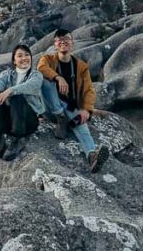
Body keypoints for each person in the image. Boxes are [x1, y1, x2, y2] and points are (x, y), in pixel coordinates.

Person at [37, 28, 110, 172]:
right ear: (55, 44)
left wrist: (87, 110)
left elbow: (89, 90)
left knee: (81, 124)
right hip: (49, 109)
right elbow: (41, 69)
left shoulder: (81, 67)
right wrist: (58, 78)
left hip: (69, 106)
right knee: (44, 82)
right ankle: (60, 117)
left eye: (66, 40)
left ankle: (91, 155)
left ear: (72, 43)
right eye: (59, 40)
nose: (63, 42)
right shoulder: (47, 60)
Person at [0, 44, 45, 161]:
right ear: (14, 60)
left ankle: (17, 139)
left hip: (27, 122)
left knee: (17, 98)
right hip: (11, 120)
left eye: (27, 55)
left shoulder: (36, 75)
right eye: (20, 56)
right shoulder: (8, 74)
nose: (24, 58)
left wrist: (10, 90)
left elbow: (30, 85)